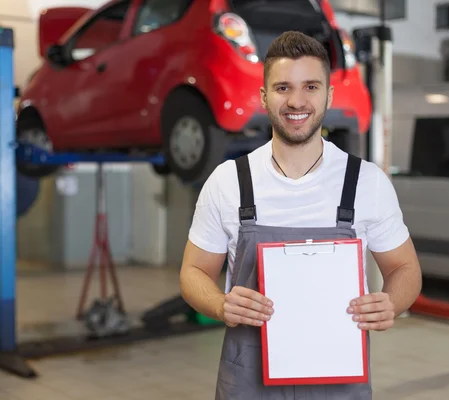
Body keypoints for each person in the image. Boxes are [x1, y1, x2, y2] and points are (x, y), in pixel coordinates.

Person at [179, 31, 422, 399]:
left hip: (339, 383)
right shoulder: (230, 181)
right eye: (282, 88)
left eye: (310, 86)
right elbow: (193, 272)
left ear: (329, 95)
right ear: (264, 97)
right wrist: (220, 304)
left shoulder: (365, 182)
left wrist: (391, 302)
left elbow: (405, 268)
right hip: (248, 383)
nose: (296, 101)